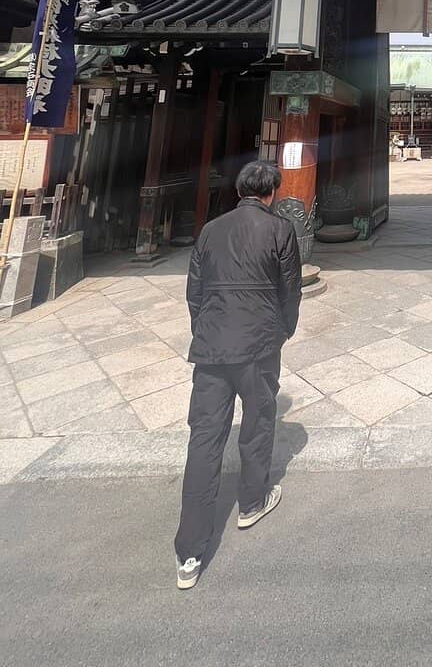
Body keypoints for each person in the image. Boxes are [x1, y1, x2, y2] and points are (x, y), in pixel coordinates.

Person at [174, 159, 302, 591]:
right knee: (258, 422)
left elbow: (194, 290)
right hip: (258, 345)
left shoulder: (210, 230)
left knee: (205, 439)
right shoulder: (280, 229)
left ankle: (189, 552)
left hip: (212, 347)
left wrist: (205, 328)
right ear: (272, 193)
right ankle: (252, 500)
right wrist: (283, 331)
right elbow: (291, 289)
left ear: (239, 190)